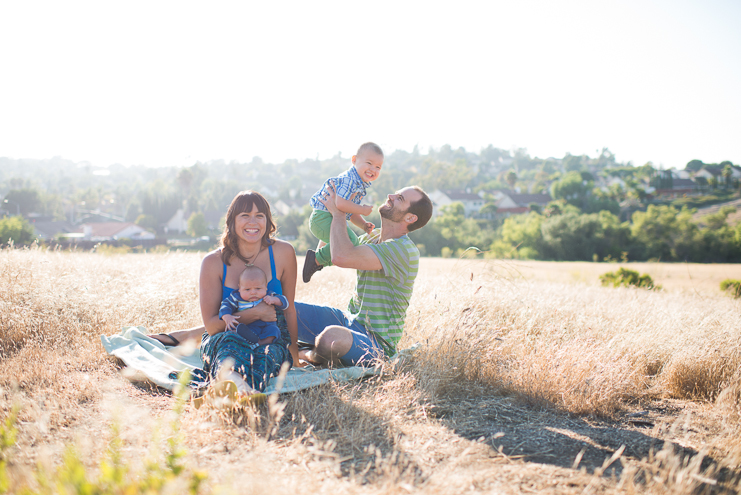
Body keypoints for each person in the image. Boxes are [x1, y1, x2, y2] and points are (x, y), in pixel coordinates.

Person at [151, 190, 302, 397]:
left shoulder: (284, 253)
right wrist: (256, 313)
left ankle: (243, 391)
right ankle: (233, 386)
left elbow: (290, 310)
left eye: (260, 216)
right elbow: (213, 327)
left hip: (270, 335)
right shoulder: (213, 263)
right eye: (244, 215)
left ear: (268, 221)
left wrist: (294, 355)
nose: (253, 222)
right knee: (229, 348)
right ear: (231, 221)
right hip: (225, 336)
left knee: (268, 355)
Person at [296, 182, 433, 367]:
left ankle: (305, 354)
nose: (390, 196)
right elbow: (333, 248)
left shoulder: (404, 250)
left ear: (410, 217)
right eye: (395, 193)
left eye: (399, 198)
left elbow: (341, 256)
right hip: (347, 321)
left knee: (331, 337)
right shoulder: (372, 237)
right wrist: (329, 217)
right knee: (283, 309)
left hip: (376, 344)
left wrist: (339, 213)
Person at [303, 142, 383, 283]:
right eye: (369, 163)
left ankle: (318, 258)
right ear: (354, 160)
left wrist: (363, 225)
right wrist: (363, 210)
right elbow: (340, 204)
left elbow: (349, 212)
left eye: (378, 167)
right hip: (322, 218)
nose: (373, 169)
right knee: (350, 242)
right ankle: (315, 259)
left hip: (328, 218)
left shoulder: (358, 183)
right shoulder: (349, 180)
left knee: (348, 242)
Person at [219, 264, 289, 346]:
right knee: (235, 331)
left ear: (265, 287)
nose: (253, 292)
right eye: (247, 289)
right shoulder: (236, 298)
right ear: (240, 289)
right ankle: (249, 342)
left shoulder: (269, 296)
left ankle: (259, 343)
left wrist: (275, 300)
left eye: (258, 288)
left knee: (274, 331)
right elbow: (225, 305)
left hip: (265, 327)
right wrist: (226, 316)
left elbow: (285, 303)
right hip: (247, 327)